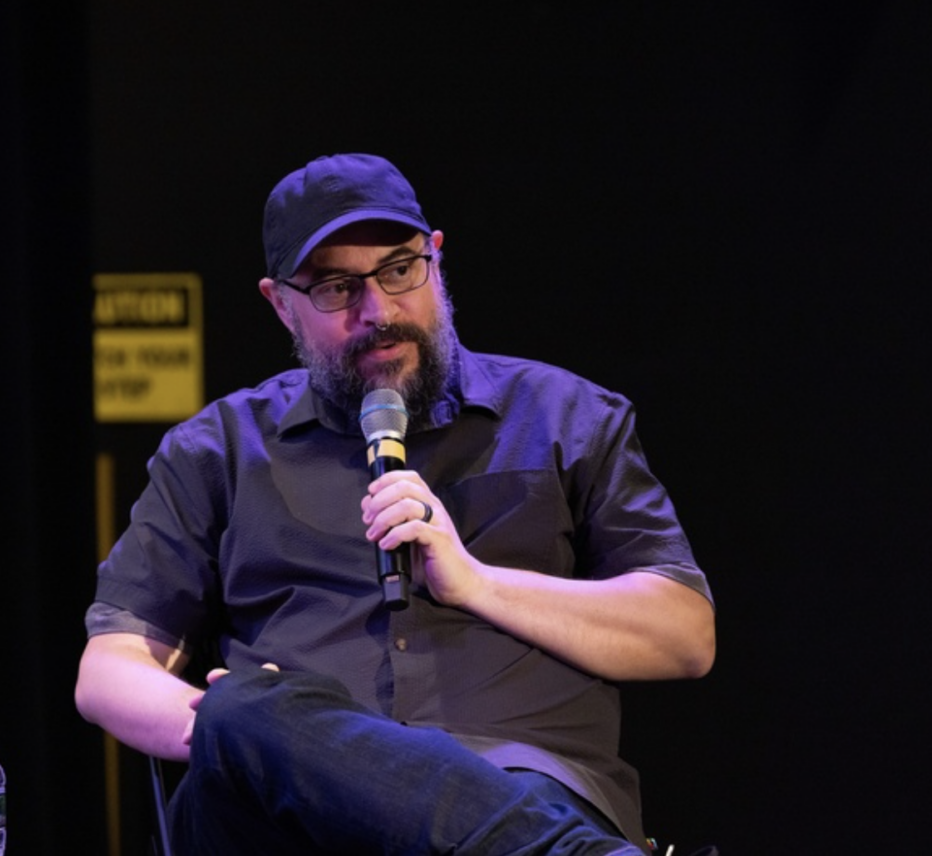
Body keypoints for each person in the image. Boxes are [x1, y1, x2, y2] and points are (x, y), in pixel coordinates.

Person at [75, 152, 717, 856]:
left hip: (516, 779)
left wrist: (478, 583)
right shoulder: (219, 449)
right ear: (278, 301)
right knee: (245, 706)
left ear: (436, 258)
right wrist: (236, 726)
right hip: (291, 815)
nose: (378, 311)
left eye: (399, 270)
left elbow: (684, 636)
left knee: (497, 800)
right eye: (335, 288)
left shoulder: (568, 418)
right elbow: (109, 672)